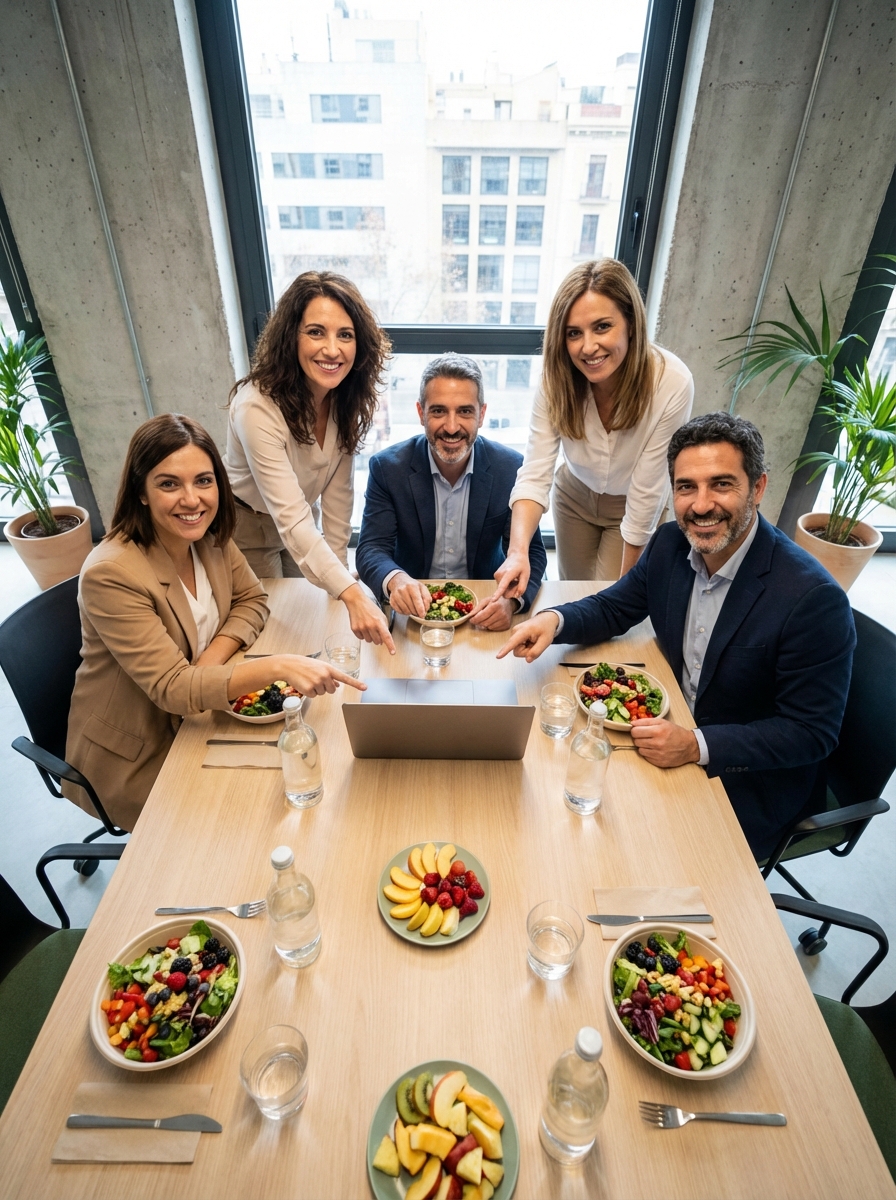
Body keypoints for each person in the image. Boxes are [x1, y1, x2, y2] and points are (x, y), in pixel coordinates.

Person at [496, 412, 856, 860]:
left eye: (721, 484)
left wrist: (696, 744)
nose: (701, 505)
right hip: (661, 731)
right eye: (686, 487)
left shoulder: (812, 599)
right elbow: (616, 606)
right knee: (550, 806)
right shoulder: (670, 544)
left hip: (743, 780)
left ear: (758, 488)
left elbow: (810, 732)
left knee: (625, 854)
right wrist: (555, 620)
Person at [65, 414, 364, 832]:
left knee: (315, 779)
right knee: (248, 822)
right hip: (143, 750)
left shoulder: (208, 537)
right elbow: (173, 689)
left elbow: (252, 600)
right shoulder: (111, 573)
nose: (192, 500)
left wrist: (207, 664)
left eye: (203, 481)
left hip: (199, 713)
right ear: (141, 492)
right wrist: (278, 665)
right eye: (169, 484)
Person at [492, 258, 693, 601]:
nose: (587, 347)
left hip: (631, 505)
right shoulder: (556, 379)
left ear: (631, 324)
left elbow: (646, 494)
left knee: (610, 600)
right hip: (574, 495)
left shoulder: (671, 383)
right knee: (573, 596)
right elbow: (536, 472)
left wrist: (625, 597)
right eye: (574, 333)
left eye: (602, 327)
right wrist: (517, 552)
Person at [225, 270, 395, 652]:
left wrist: (340, 581)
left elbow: (338, 497)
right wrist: (351, 593)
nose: (332, 350)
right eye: (316, 332)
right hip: (246, 525)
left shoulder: (345, 397)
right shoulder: (256, 407)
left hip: (304, 519)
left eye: (345, 335)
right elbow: (291, 520)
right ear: (291, 337)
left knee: (318, 615)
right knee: (274, 631)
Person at [355, 353, 547, 630]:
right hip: (412, 612)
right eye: (438, 411)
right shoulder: (387, 468)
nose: (452, 427)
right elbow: (371, 548)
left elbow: (533, 553)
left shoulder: (511, 469)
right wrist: (396, 579)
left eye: (465, 411)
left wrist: (512, 602)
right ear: (421, 413)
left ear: (482, 414)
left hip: (484, 607)